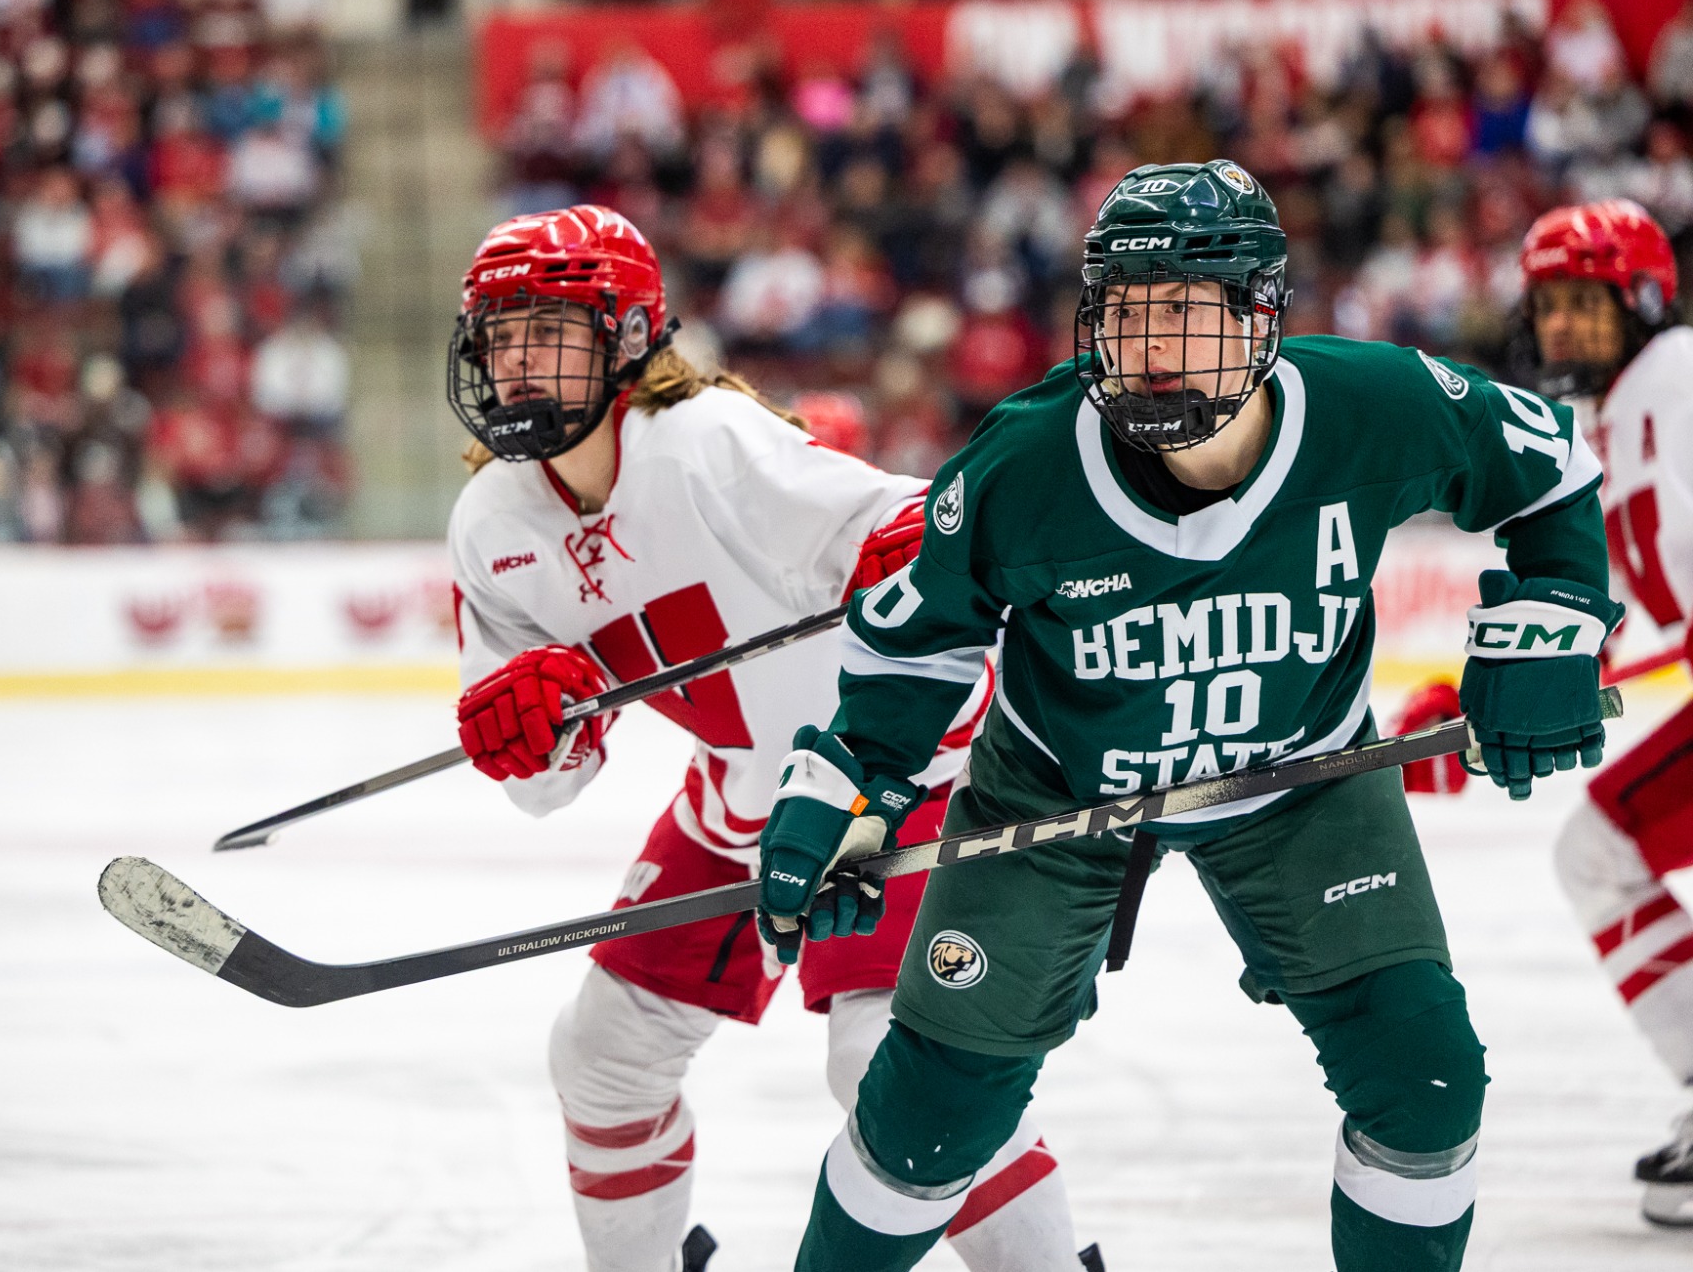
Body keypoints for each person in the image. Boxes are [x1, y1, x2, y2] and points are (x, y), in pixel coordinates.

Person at [756, 160, 1618, 1272]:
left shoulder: (1371, 409)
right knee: (930, 1117)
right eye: (1123, 309)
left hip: (1298, 782)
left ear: (1259, 315)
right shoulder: (1025, 462)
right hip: (1057, 791)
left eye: (1179, 308)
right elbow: (912, 636)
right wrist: (852, 784)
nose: (1145, 343)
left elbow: (1548, 468)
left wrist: (1553, 611)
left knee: (1423, 1080)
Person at [445, 205, 1095, 1272]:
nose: (516, 361)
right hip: (742, 796)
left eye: (546, 330)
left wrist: (908, 554)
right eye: (500, 336)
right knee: (603, 1058)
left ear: (624, 336)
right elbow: (542, 785)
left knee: (887, 1063)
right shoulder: (491, 525)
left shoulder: (707, 446)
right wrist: (543, 726)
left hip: (899, 778)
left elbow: (920, 538)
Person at [1520, 199, 1693, 1227]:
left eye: (1583, 303)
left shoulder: (1673, 376)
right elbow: (1622, 607)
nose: (1562, 327)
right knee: (1595, 849)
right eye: (1547, 306)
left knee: (1594, 849)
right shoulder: (1623, 403)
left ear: (1637, 298)